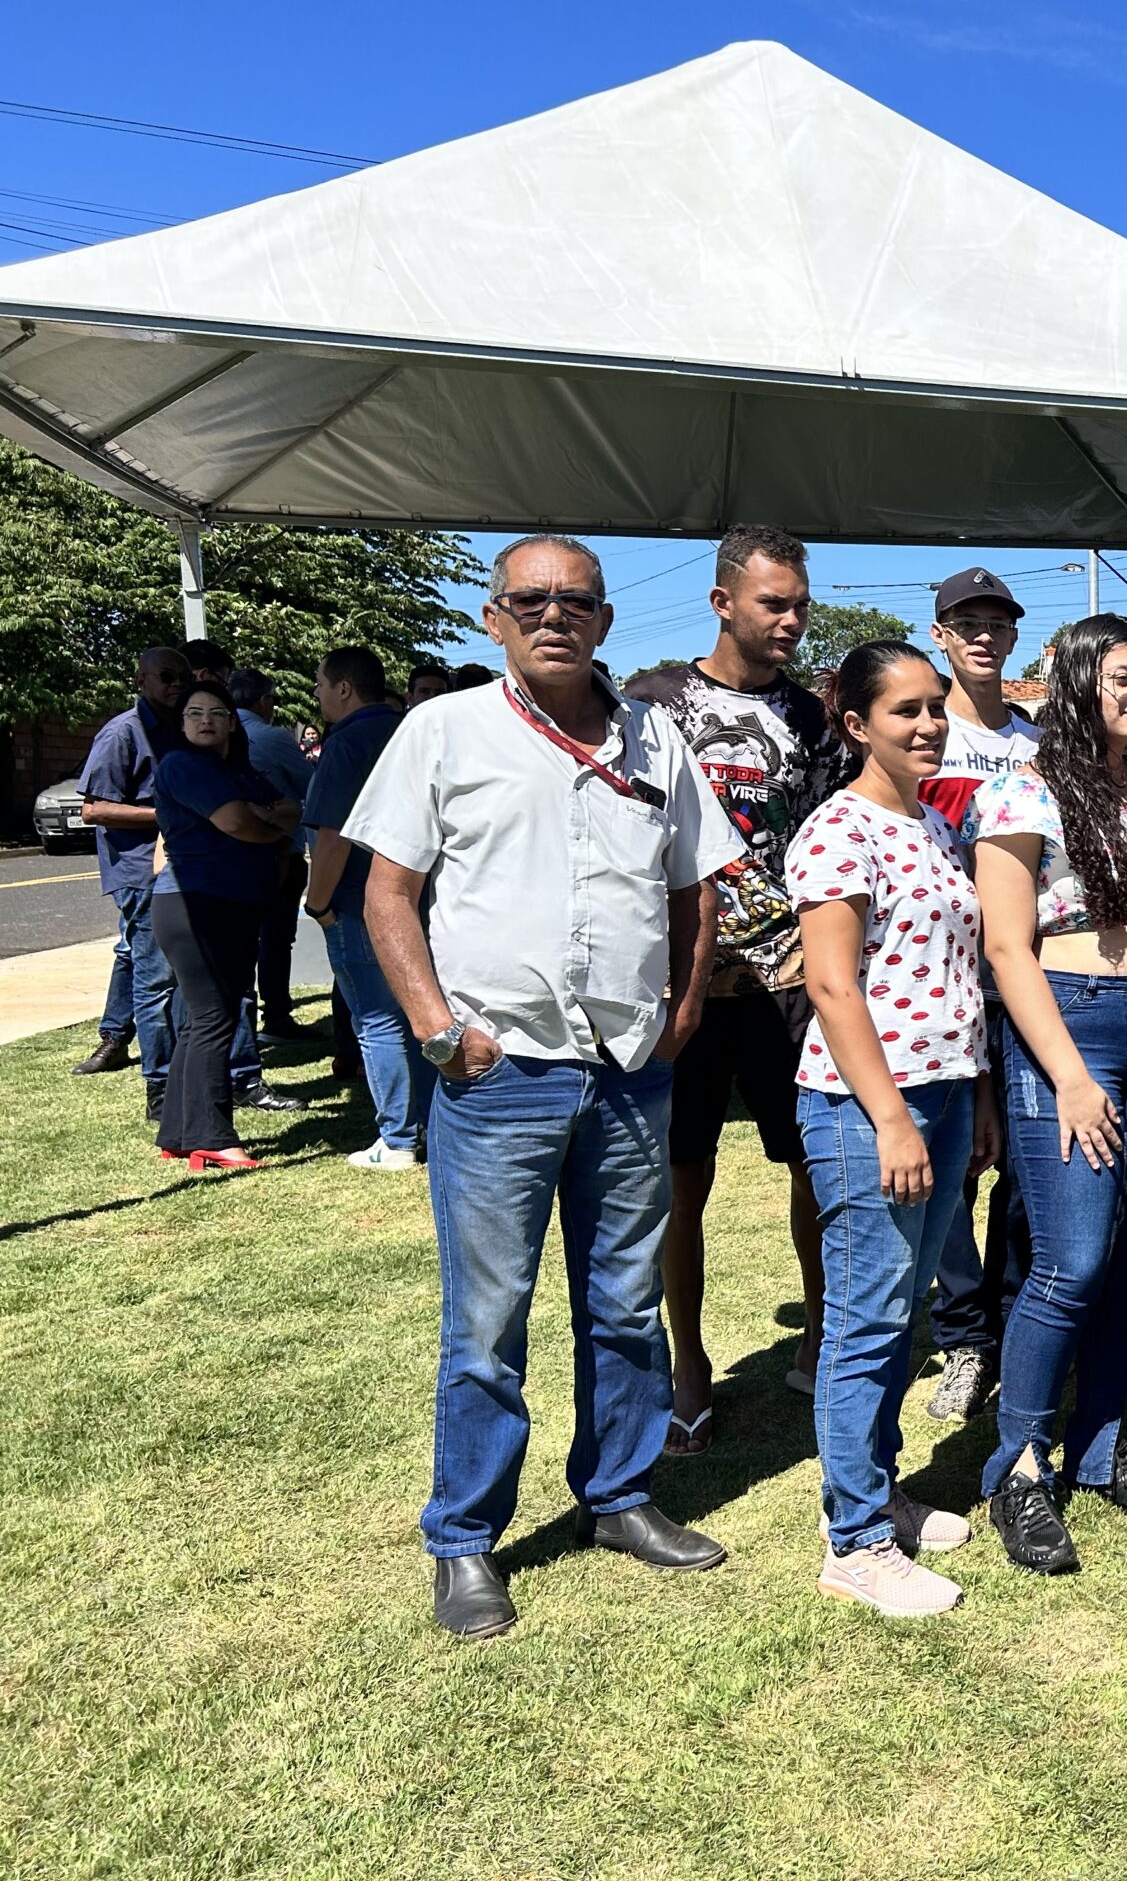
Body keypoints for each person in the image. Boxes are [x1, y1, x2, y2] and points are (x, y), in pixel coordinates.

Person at [347, 533, 743, 1640]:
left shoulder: (657, 738)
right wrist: (435, 1028)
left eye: (575, 599)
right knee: (487, 1321)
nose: (553, 615)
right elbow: (389, 894)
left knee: (622, 1305)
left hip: (624, 1073)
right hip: (499, 1072)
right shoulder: (444, 729)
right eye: (531, 599)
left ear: (607, 621)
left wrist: (683, 1006)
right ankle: (465, 1540)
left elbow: (693, 886)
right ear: (494, 617)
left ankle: (617, 1495)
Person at [966, 613, 1127, 1574]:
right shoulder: (1025, 787)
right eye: (1124, 678)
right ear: (1075, 683)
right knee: (1069, 1255)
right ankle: (1019, 1465)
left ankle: (1101, 1446)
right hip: (1072, 1026)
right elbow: (1007, 946)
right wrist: (1063, 1071)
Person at [624, 526, 851, 1453]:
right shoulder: (649, 704)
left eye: (800, 603)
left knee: (819, 1167)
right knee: (683, 1181)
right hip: (683, 986)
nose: (793, 620)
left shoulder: (814, 718)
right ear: (723, 602)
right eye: (774, 604)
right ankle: (687, 1364)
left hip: (792, 988)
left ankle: (824, 1342)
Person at [787, 641, 996, 1618]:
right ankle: (855, 1542)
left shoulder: (931, 825)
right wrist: (889, 1120)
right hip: (866, 1105)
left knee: (897, 1315)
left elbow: (957, 976)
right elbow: (832, 985)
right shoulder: (839, 832)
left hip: (944, 1096)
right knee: (864, 1325)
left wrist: (974, 1098)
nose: (924, 725)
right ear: (855, 722)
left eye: (933, 708)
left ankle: (880, 1495)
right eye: (903, 709)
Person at [917, 568, 1043, 1425]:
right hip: (944, 971)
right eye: (968, 622)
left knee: (1031, 1164)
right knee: (955, 1162)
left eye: (998, 622)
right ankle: (963, 1336)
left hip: (1028, 971)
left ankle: (1013, 1322)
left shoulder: (1037, 741)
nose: (985, 635)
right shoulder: (921, 731)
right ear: (940, 634)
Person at [149, 682, 300, 1170]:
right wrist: (264, 822)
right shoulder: (184, 765)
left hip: (231, 905)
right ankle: (213, 1135)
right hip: (196, 906)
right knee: (216, 1016)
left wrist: (266, 817)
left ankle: (178, 1131)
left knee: (204, 1018)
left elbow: (290, 810)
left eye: (217, 712)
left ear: (233, 722)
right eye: (195, 713)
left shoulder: (237, 769)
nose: (206, 720)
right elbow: (237, 822)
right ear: (182, 722)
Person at [304, 646, 430, 1168]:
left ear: (344, 689)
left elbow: (332, 837)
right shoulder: (416, 732)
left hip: (360, 903)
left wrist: (318, 904)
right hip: (425, 901)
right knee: (424, 1015)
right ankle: (428, 1122)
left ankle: (399, 1138)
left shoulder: (345, 744)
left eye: (319, 685)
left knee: (378, 1020)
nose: (316, 695)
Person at [72, 647, 189, 1087]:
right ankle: (159, 1082)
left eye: (181, 675)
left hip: (181, 866)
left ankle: (129, 1044)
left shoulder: (183, 727)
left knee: (167, 971)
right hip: (141, 872)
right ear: (141, 681)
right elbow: (93, 809)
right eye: (166, 676)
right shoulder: (123, 732)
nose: (176, 683)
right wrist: (168, 814)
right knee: (155, 976)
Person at [228, 668, 317, 1042]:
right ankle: (276, 1015)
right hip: (280, 850)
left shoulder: (218, 740)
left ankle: (244, 1024)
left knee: (239, 941)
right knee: (277, 938)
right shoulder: (270, 736)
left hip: (230, 856)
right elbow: (311, 785)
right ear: (263, 701)